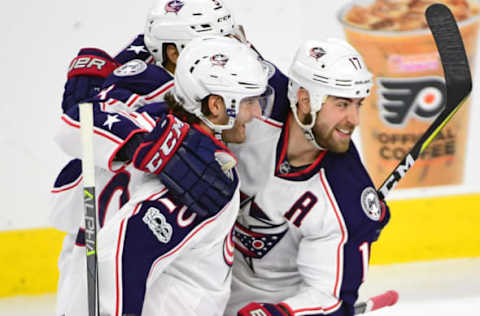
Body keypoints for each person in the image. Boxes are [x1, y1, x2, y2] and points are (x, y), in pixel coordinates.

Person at [53, 35, 270, 316]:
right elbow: (120, 256)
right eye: (249, 101)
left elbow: (81, 121)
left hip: (76, 281)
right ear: (216, 105)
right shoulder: (200, 174)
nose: (257, 113)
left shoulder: (149, 122)